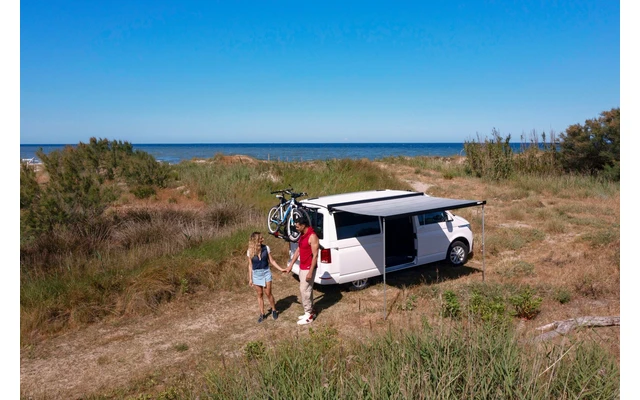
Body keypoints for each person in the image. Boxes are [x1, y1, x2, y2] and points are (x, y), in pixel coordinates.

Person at [285, 214, 319, 325]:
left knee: (304, 290)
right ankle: (310, 311)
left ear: (303, 225)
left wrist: (310, 272)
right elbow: (298, 250)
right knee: (307, 290)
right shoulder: (303, 235)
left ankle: (309, 315)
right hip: (302, 267)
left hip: (309, 268)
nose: (296, 228)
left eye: (297, 226)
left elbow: (315, 256)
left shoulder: (312, 236)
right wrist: (291, 265)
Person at [247, 232, 285, 323]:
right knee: (259, 294)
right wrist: (250, 279)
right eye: (261, 238)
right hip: (256, 274)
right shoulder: (250, 251)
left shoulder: (266, 248)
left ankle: (274, 310)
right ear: (256, 240)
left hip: (266, 272)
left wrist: (281, 269)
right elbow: (250, 265)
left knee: (268, 293)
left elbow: (272, 261)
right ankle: (262, 313)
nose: (263, 239)